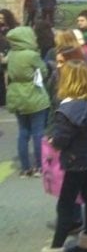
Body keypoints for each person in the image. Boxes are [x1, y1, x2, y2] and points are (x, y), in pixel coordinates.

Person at [37, 60, 87, 252]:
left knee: (66, 205)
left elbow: (60, 140)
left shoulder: (67, 108)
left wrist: (52, 140)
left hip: (74, 159)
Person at [6, 26, 50, 177]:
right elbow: (43, 71)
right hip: (33, 93)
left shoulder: (11, 54)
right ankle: (39, 166)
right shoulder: (32, 55)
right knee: (38, 132)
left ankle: (25, 168)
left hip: (16, 94)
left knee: (23, 133)